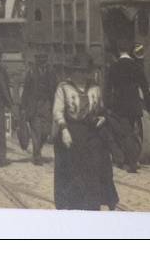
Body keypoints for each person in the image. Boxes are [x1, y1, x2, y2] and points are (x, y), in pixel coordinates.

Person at [52, 52, 119, 211]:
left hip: (93, 132)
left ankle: (93, 203)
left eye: (85, 71)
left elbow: (101, 108)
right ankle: (73, 203)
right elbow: (57, 111)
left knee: (96, 166)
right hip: (72, 132)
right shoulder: (63, 88)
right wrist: (64, 130)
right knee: (73, 168)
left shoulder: (95, 87)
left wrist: (102, 117)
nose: (82, 74)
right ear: (72, 71)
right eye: (78, 71)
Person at [104, 39, 150, 173]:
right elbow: (145, 88)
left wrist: (106, 105)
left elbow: (108, 89)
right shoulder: (137, 66)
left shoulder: (114, 67)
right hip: (134, 105)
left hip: (119, 106)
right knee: (130, 131)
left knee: (125, 134)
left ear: (118, 51)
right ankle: (128, 159)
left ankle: (131, 163)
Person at [20, 51, 57, 165]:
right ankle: (36, 156)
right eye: (40, 58)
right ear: (36, 60)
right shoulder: (30, 72)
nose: (42, 61)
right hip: (34, 105)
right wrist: (23, 107)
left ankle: (38, 150)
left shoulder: (51, 72)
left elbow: (55, 88)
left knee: (45, 131)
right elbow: (26, 91)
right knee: (36, 130)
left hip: (47, 104)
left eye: (44, 58)